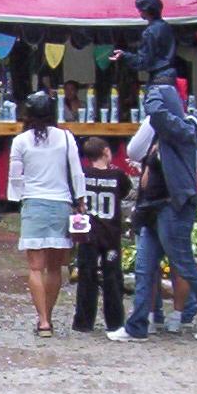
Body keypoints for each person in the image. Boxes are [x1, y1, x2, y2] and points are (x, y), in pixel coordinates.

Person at [108, 86, 197, 341]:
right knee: (144, 268)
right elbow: (134, 151)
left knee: (185, 266)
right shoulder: (157, 134)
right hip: (151, 209)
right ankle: (137, 326)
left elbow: (160, 116)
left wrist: (153, 97)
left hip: (173, 209)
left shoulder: (185, 129)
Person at [7, 91, 86, 337]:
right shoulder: (66, 138)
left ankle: (42, 321)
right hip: (61, 204)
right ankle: (48, 315)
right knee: (54, 268)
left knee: (35, 268)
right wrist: (80, 200)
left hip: (34, 203)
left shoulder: (21, 141)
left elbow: (15, 177)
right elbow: (76, 171)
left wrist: (18, 198)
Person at [71, 137, 132, 332]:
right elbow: (125, 192)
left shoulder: (83, 174)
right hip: (110, 234)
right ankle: (115, 322)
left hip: (87, 233)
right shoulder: (118, 175)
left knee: (86, 276)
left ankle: (83, 322)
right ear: (106, 151)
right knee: (112, 278)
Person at [110, 0, 176, 86]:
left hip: (158, 78)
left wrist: (124, 56)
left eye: (140, 10)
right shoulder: (166, 26)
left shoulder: (150, 32)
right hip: (170, 75)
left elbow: (143, 61)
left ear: (146, 11)